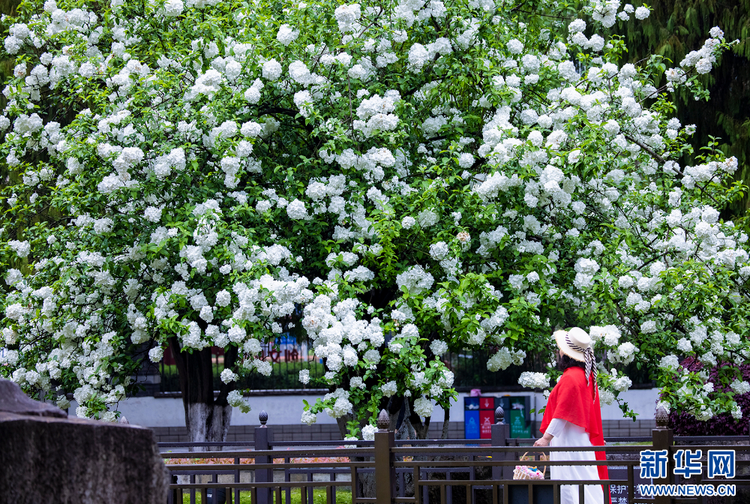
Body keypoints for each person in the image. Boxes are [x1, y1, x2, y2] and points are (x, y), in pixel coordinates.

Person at [533, 327, 609, 504]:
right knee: (585, 478)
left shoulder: (570, 377)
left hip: (568, 439)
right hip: (579, 437)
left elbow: (562, 412)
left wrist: (546, 437)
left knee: (569, 480)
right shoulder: (585, 376)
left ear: (566, 354)